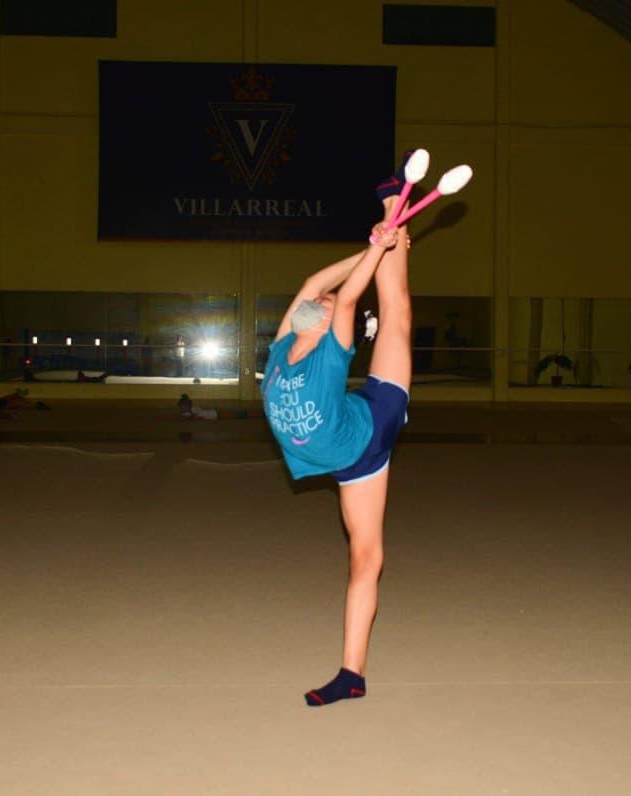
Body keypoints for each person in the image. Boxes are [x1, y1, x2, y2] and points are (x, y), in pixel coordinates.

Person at [263, 162, 414, 707]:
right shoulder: (282, 349)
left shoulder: (323, 347)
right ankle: (353, 677)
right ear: (312, 318)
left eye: (326, 305)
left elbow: (344, 296)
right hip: (352, 451)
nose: (321, 301)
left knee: (395, 315)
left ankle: (394, 205)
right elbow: (319, 286)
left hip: (364, 426)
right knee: (365, 560)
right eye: (320, 305)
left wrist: (381, 242)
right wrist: (373, 247)